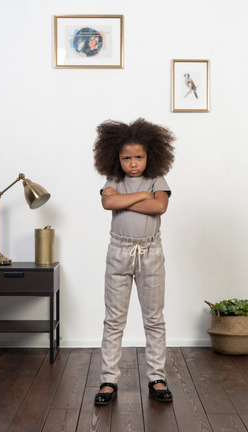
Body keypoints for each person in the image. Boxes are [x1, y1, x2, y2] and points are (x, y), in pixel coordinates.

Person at [93, 118, 175, 405]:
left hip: (150, 253)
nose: (133, 163)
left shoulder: (157, 179)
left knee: (154, 318)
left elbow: (159, 206)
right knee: (114, 319)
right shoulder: (114, 181)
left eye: (138, 157)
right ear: (115, 157)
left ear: (150, 155)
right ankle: (108, 380)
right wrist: (142, 196)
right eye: (126, 158)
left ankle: (157, 377)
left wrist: (128, 198)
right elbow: (108, 203)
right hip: (119, 252)